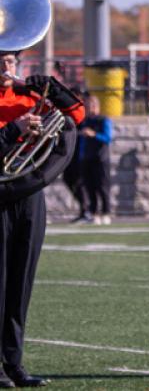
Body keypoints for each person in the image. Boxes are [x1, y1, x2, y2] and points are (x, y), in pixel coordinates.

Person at [0, 53, 85, 388]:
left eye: (11, 62)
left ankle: (13, 361)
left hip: (28, 194)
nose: (7, 69)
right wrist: (15, 129)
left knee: (21, 281)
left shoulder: (31, 97)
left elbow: (77, 115)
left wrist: (54, 90)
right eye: (1, 61)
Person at [80, 95, 113, 225]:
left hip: (101, 159)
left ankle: (106, 213)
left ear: (97, 106)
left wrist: (93, 134)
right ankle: (93, 213)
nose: (90, 108)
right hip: (87, 159)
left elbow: (107, 138)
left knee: (102, 186)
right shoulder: (85, 121)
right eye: (87, 106)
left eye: (92, 105)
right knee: (90, 187)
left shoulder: (103, 120)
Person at [63, 87, 91, 224]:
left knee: (80, 182)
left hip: (81, 154)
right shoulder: (70, 110)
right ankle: (84, 210)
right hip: (71, 153)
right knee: (69, 179)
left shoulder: (84, 111)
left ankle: (86, 211)